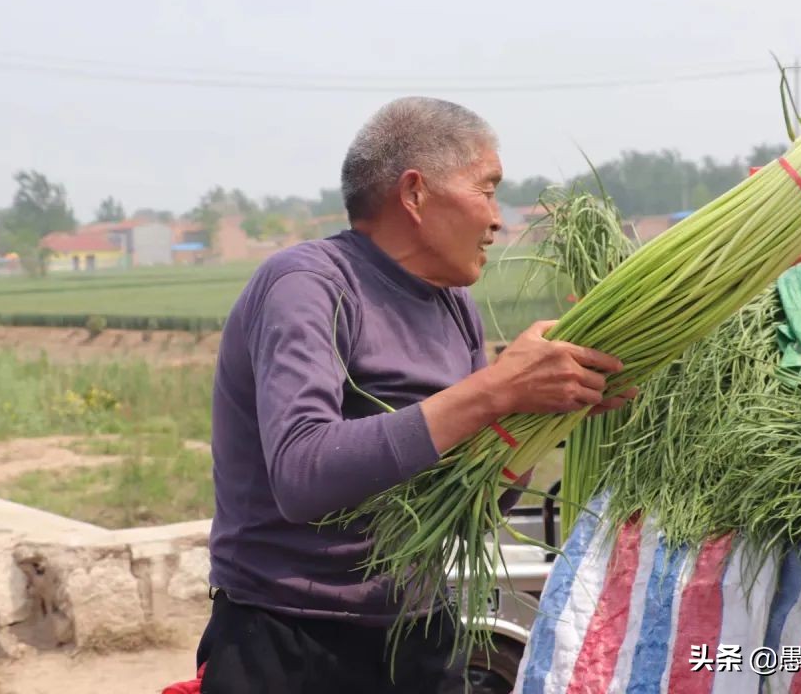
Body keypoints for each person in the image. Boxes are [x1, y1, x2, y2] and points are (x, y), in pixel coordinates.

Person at [196, 96, 637, 694]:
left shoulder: (454, 307)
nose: (498, 219)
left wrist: (538, 414)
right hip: (289, 637)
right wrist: (495, 389)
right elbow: (302, 474)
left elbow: (474, 506)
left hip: (420, 628)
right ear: (415, 194)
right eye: (487, 189)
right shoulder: (309, 285)